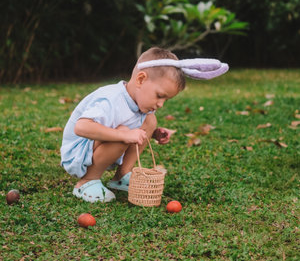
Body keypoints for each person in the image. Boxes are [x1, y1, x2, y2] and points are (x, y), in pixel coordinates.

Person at [60, 47, 228, 203]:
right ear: (140, 79)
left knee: (150, 121)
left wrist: (153, 133)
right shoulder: (111, 100)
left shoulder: (138, 104)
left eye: (166, 100)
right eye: (159, 96)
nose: (161, 104)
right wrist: (124, 135)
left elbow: (135, 125)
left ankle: (121, 176)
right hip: (77, 154)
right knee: (124, 132)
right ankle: (86, 182)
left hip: (97, 146)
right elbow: (81, 127)